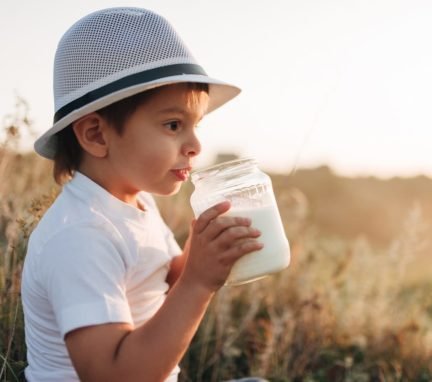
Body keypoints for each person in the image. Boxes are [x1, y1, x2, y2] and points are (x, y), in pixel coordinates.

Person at [21, 7, 267, 382]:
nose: (196, 145)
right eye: (173, 125)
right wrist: (199, 281)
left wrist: (204, 251)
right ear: (96, 135)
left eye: (195, 125)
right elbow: (112, 375)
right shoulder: (79, 237)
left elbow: (162, 279)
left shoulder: (135, 202)